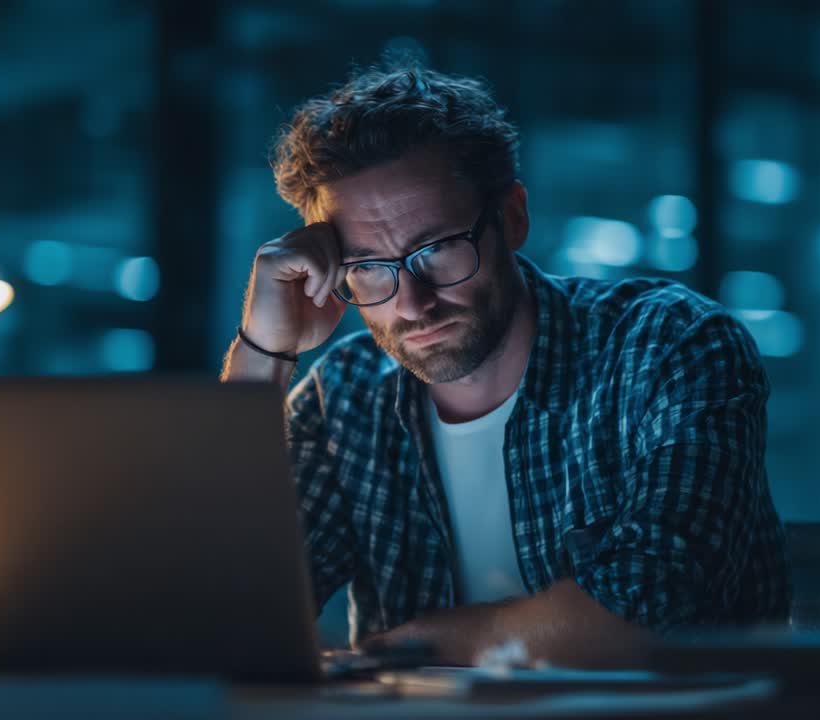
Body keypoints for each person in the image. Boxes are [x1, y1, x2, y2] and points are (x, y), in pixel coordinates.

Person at [221, 65, 789, 668]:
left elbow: (652, 617)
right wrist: (263, 354)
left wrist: (425, 644)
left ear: (513, 218)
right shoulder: (342, 397)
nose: (413, 303)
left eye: (437, 249)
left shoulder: (670, 346)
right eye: (368, 267)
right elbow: (225, 617)